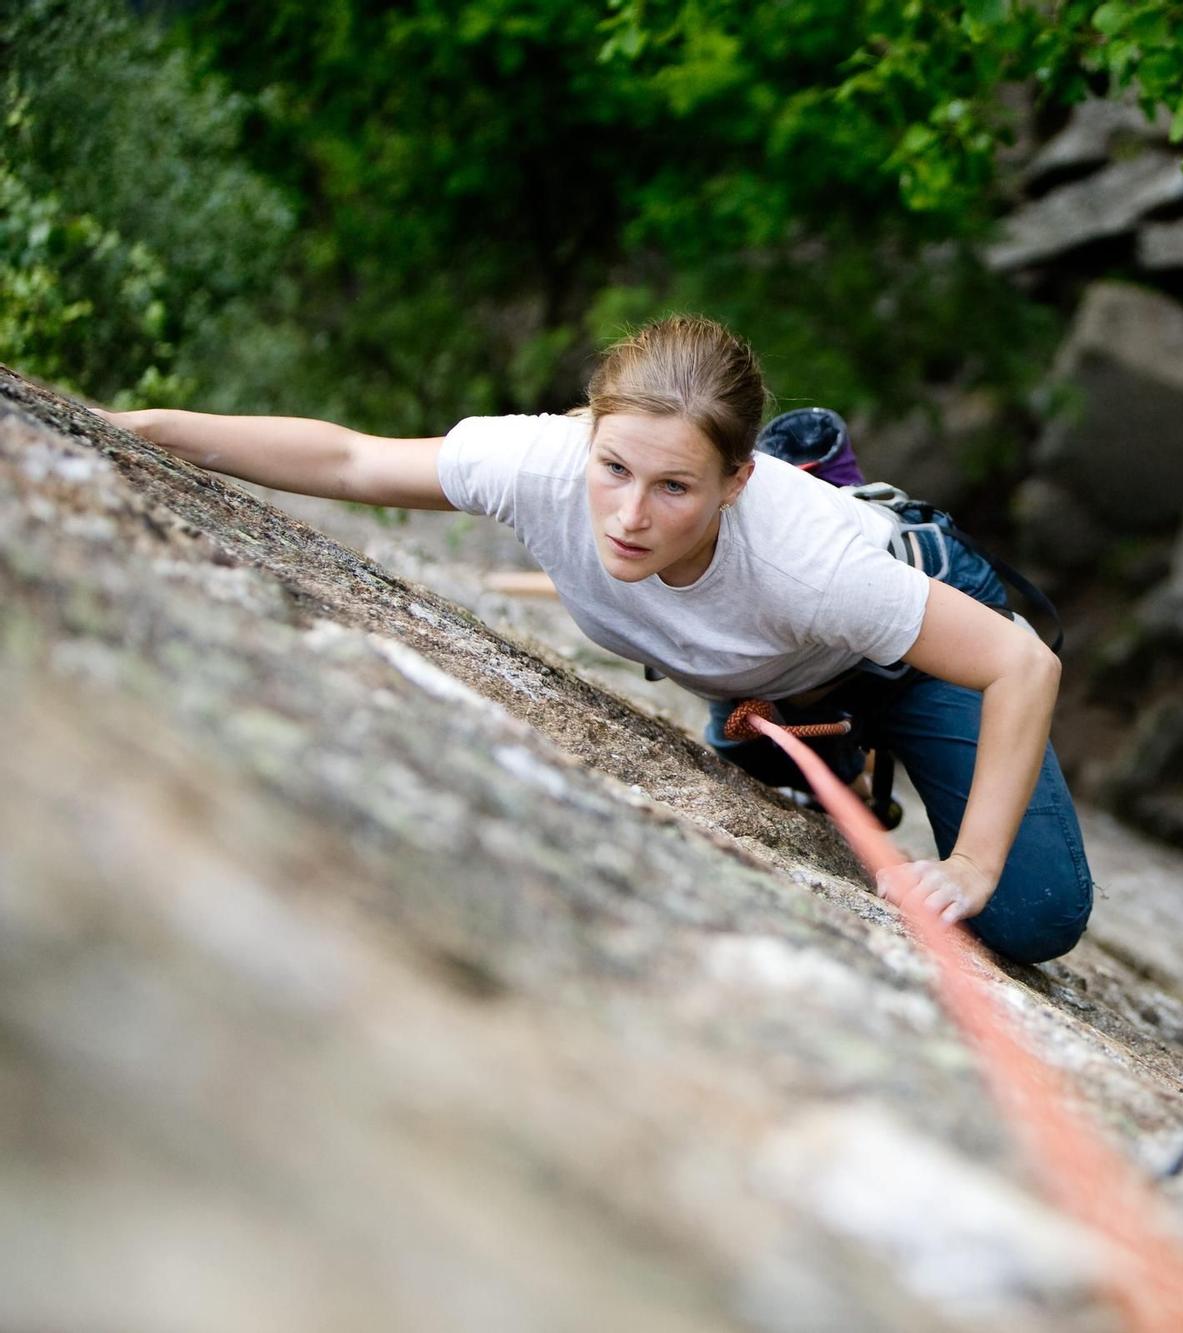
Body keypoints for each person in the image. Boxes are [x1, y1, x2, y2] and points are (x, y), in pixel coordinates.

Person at [93, 314, 1094, 964]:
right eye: (613, 467)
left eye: (674, 487)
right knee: (773, 767)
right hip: (779, 671)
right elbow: (352, 459)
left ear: (734, 483)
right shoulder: (537, 462)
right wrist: (139, 426)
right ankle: (793, 711)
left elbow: (1020, 661)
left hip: (898, 631)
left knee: (1027, 913)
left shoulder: (805, 564)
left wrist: (964, 867)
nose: (626, 514)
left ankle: (816, 500)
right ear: (588, 436)